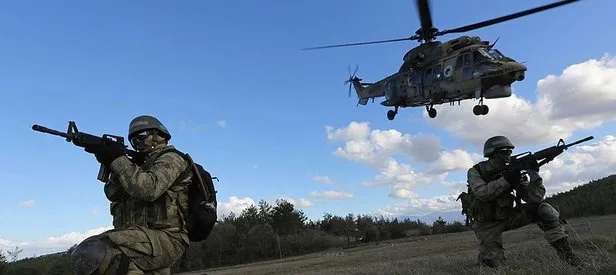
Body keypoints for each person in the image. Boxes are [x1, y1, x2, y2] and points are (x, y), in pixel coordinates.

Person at [70, 115, 192, 275]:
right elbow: (112, 193)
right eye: (134, 140)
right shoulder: (136, 166)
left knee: (94, 251)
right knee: (90, 253)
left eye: (142, 136)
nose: (138, 143)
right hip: (143, 239)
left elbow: (148, 189)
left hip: (168, 239)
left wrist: (118, 159)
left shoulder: (172, 159)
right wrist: (111, 162)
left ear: (158, 135)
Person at [466, 135, 582, 268]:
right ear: (492, 154)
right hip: (487, 224)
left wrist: (534, 175)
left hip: (508, 216)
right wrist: (507, 180)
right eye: (504, 151)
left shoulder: (512, 171)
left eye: (510, 151)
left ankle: (568, 257)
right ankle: (486, 259)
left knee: (544, 209)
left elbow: (533, 198)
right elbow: (483, 194)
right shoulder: (476, 171)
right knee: (492, 265)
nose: (508, 155)